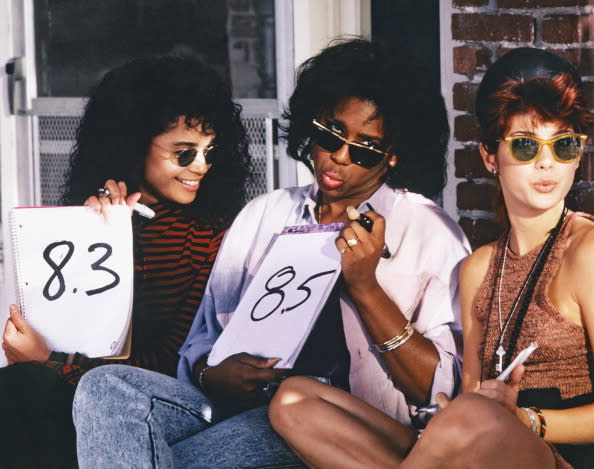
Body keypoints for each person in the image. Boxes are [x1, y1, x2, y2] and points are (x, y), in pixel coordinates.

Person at [72, 37, 470, 468]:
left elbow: (443, 391)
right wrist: (215, 373)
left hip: (334, 426)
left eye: (364, 148)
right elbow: (200, 346)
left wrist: (366, 288)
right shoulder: (265, 214)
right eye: (329, 133)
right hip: (236, 409)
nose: (338, 156)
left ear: (392, 155)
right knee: (106, 387)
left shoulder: (427, 230)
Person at [268, 47, 594, 469]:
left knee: (473, 417)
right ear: (490, 156)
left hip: (557, 455)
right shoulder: (479, 268)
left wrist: (525, 420)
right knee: (294, 398)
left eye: (565, 146)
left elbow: (482, 416)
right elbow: (470, 397)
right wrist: (456, 412)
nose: (548, 163)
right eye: (527, 145)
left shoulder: (585, 250)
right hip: (476, 447)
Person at [0, 55, 250, 469]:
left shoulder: (212, 235)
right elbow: (69, 331)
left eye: (210, 151)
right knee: (22, 388)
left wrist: (54, 364)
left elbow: (177, 361)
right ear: (132, 142)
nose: (202, 166)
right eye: (185, 153)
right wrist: (109, 235)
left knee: (31, 387)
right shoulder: (86, 218)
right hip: (81, 388)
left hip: (162, 399)